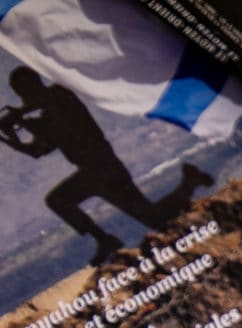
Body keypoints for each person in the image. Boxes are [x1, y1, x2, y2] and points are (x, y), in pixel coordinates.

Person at [0, 68, 211, 266]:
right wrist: (12, 136)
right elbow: (38, 149)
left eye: (24, 92)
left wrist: (21, 122)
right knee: (59, 201)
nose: (24, 99)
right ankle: (104, 239)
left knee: (155, 219)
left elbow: (52, 129)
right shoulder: (48, 111)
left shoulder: (60, 97)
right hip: (93, 172)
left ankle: (190, 182)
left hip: (105, 169)